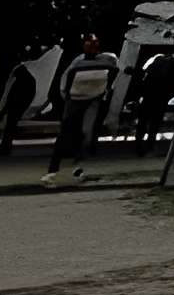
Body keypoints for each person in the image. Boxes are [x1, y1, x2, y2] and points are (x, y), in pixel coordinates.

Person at [44, 37, 119, 186]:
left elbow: (114, 73)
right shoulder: (79, 62)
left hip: (89, 101)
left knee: (83, 134)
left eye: (94, 46)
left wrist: (104, 91)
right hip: (77, 101)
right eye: (89, 45)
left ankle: (76, 170)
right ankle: (53, 171)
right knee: (67, 134)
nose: (91, 48)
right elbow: (66, 81)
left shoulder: (106, 59)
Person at [0, 60, 36, 155]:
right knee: (10, 126)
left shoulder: (20, 77)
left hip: (16, 104)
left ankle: (5, 148)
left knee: (9, 126)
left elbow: (12, 94)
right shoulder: (27, 77)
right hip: (19, 104)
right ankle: (5, 147)